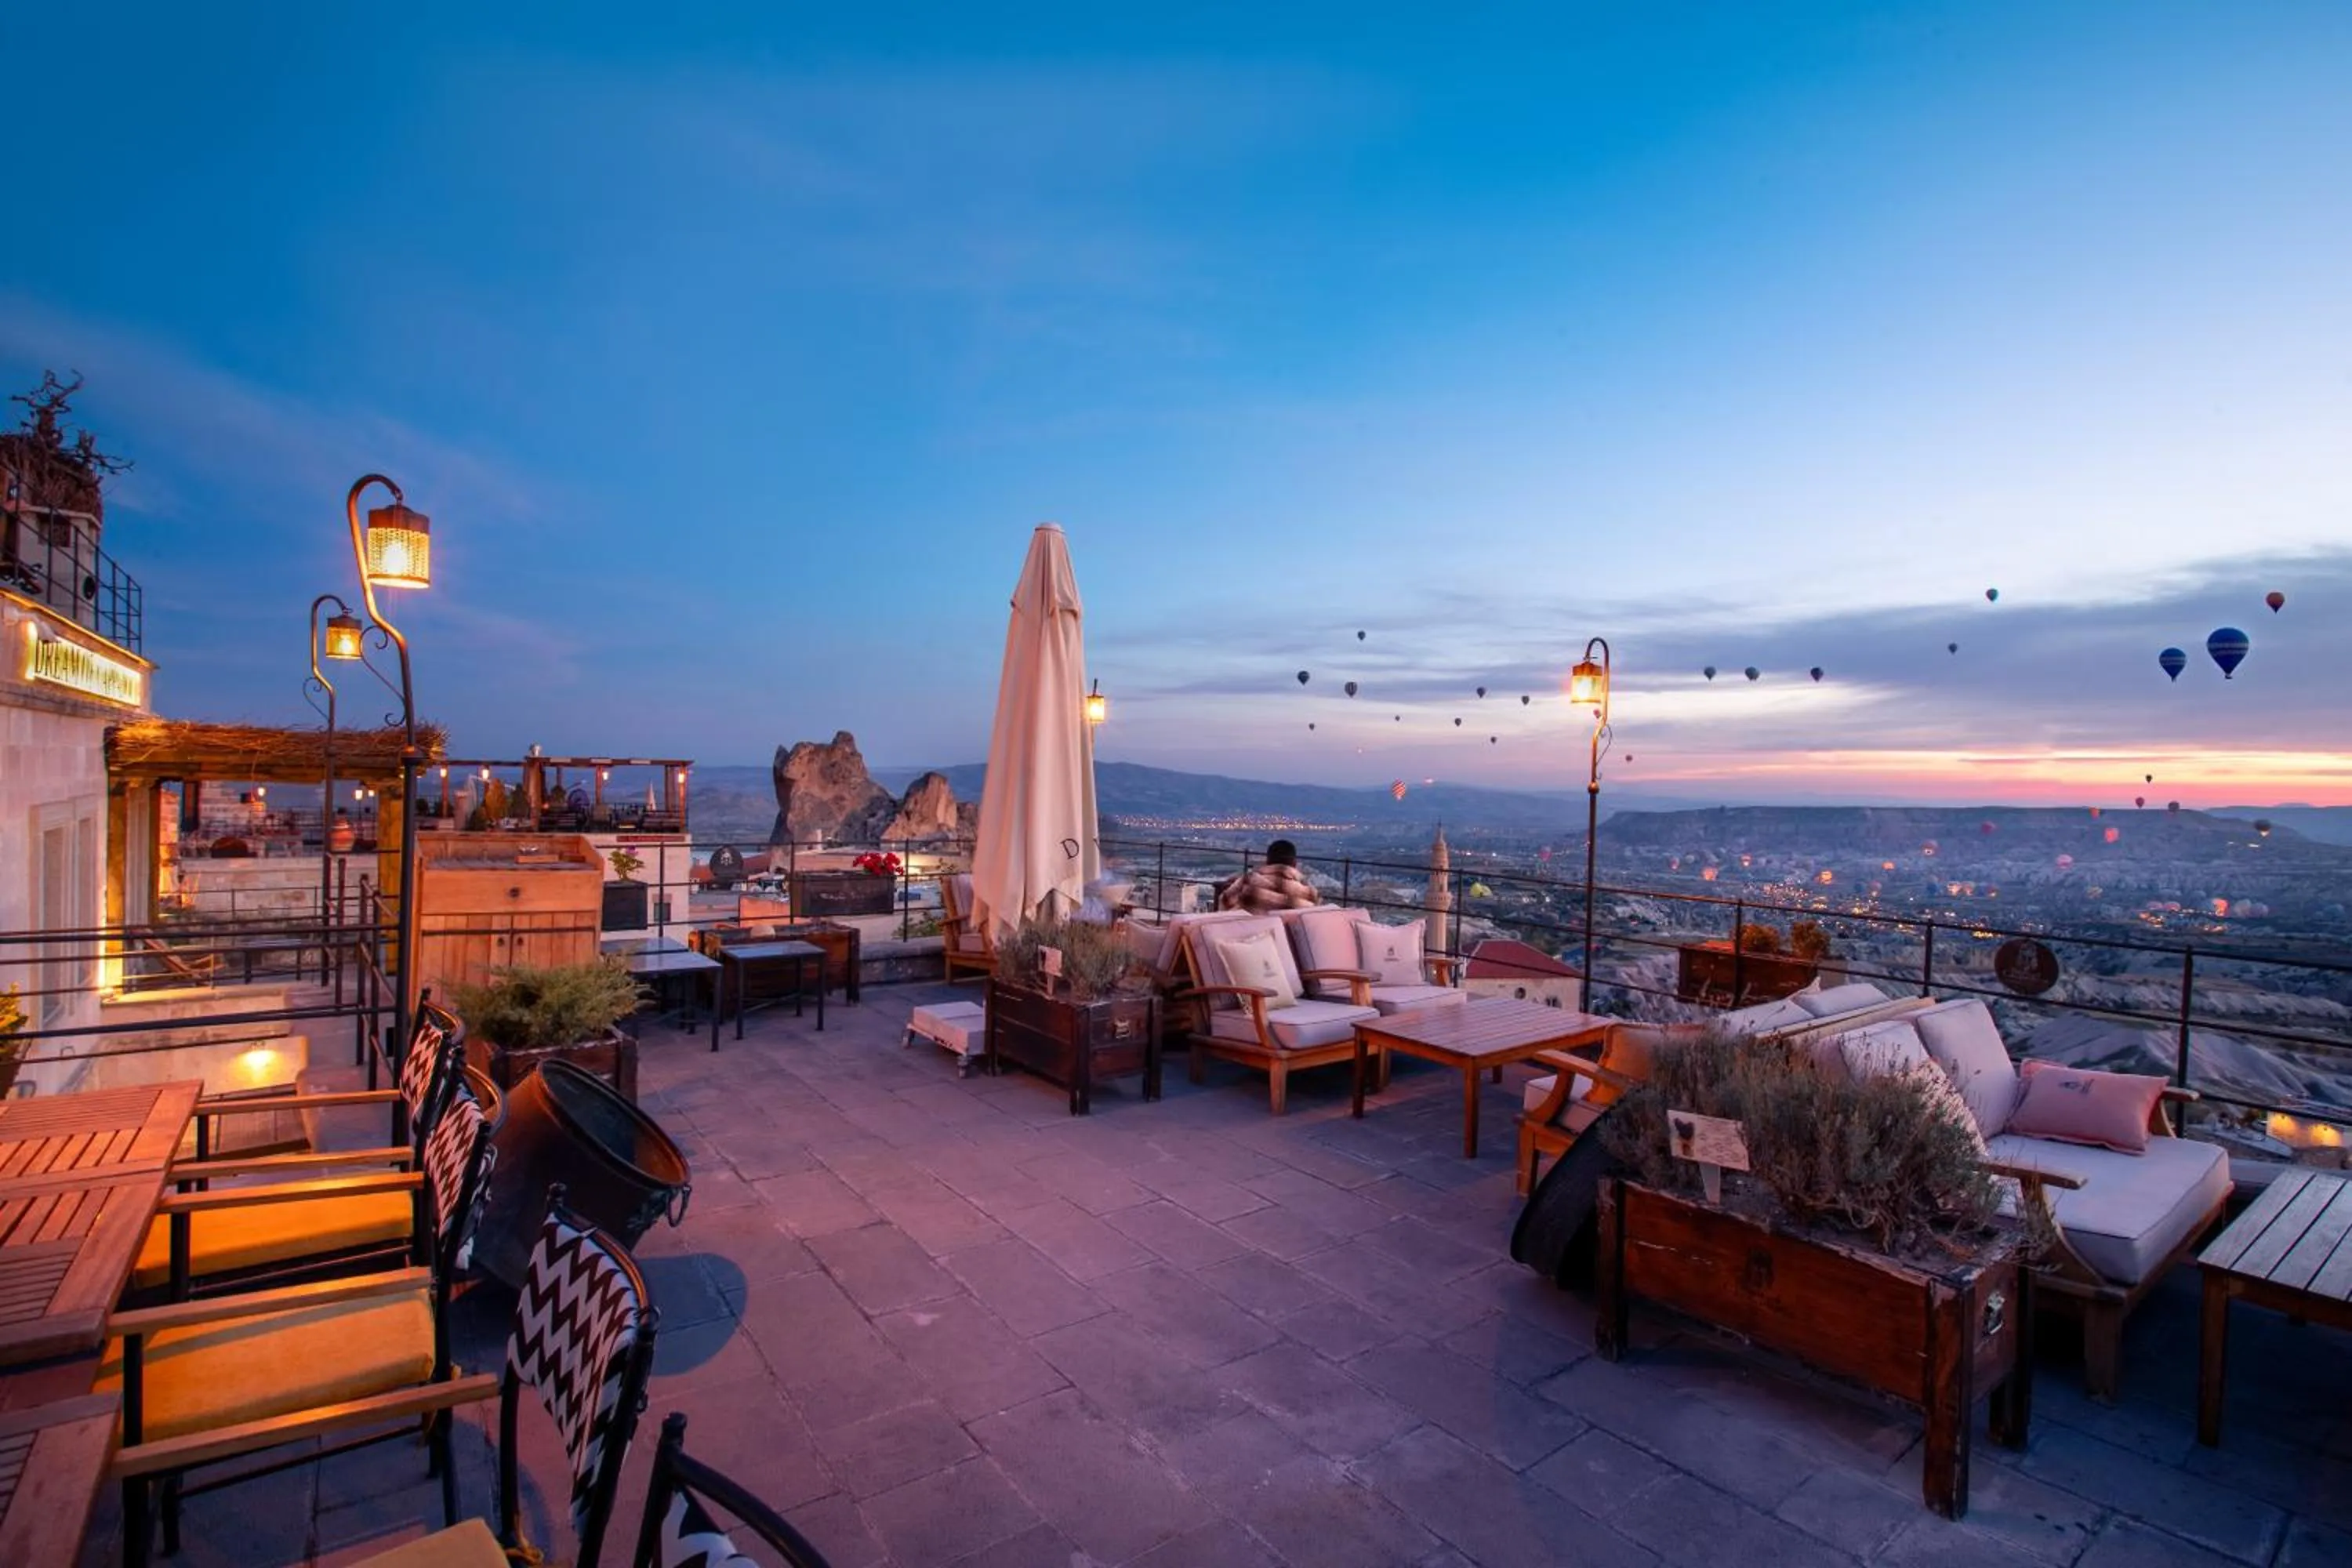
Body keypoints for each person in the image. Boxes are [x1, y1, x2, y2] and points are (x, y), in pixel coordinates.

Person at [1217, 840, 1321, 914]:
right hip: (1287, 944)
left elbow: (1224, 903)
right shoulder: (1310, 895)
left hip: (1248, 939)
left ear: (1267, 861)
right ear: (1294, 864)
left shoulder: (1249, 881)